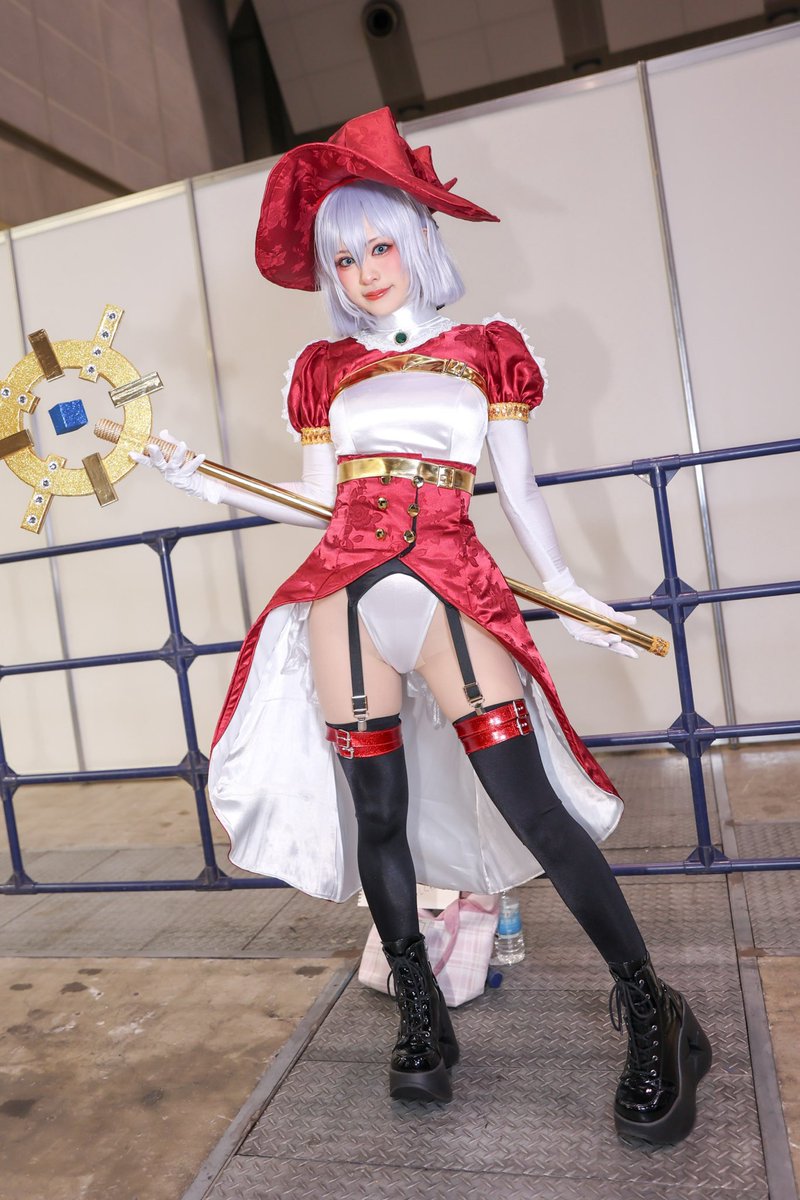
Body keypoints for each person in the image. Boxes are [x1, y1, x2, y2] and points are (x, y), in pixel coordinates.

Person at [135, 108, 711, 1144]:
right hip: (343, 597)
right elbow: (318, 499)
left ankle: (651, 1008)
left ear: (416, 239)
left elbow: (519, 495)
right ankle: (420, 1014)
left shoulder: (487, 352)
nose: (363, 272)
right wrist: (205, 481)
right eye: (343, 257)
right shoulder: (324, 369)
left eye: (379, 247)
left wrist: (570, 592)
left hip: (450, 584)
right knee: (379, 818)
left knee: (532, 807)